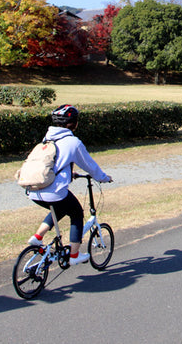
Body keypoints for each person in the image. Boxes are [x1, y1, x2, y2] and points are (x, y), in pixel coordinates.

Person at [27, 104, 112, 265]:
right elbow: (90, 166)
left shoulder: (48, 138)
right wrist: (103, 178)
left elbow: (54, 163)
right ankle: (74, 256)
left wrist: (69, 173)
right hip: (52, 191)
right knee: (76, 213)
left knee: (60, 207)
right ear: (73, 124)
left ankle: (37, 237)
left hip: (34, 191)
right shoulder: (73, 142)